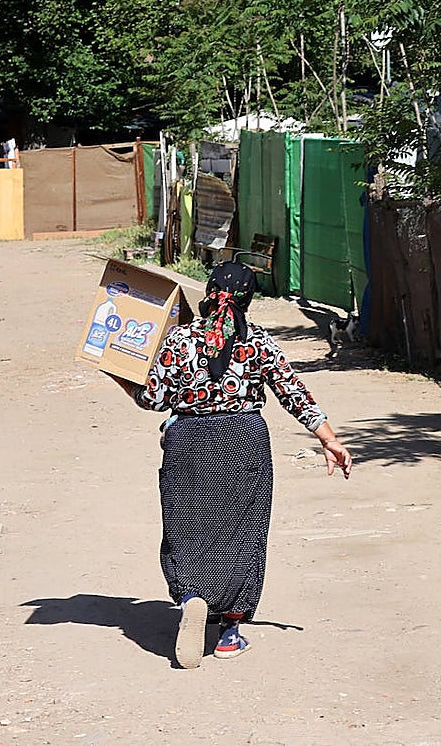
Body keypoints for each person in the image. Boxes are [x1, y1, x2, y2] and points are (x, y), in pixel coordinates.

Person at [113, 261, 353, 669]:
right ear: (249, 300)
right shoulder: (258, 341)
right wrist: (328, 438)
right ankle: (229, 632)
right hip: (244, 441)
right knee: (243, 532)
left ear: (207, 292)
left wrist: (119, 374)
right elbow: (293, 392)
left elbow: (151, 399)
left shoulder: (178, 341)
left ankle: (192, 597)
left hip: (188, 441)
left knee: (187, 528)